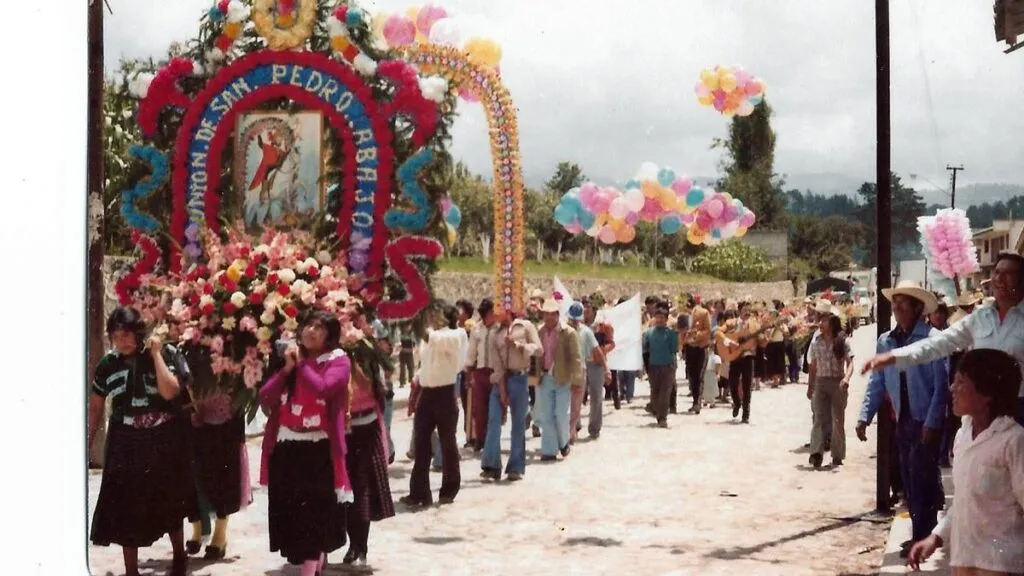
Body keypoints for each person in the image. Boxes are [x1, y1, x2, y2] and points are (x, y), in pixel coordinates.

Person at [88, 307, 195, 576]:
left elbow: (170, 392)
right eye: (116, 336)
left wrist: (156, 354)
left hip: (162, 438)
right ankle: (131, 570)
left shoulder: (162, 354)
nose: (122, 341)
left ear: (138, 332)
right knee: (127, 507)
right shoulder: (108, 365)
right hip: (126, 441)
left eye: (126, 334)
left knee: (170, 500)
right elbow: (96, 406)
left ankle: (179, 557)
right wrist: (86, 443)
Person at [863, 253, 1024, 428]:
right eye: (997, 272)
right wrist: (894, 357)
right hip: (981, 411)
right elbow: (940, 343)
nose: (999, 279)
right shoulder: (980, 318)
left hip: (1019, 409)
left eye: (1008, 273)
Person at [907, 349, 1024, 575]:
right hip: (964, 560)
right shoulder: (963, 436)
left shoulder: (1013, 441)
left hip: (1000, 565)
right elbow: (963, 501)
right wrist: (936, 537)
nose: (952, 388)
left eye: (961, 382)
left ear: (987, 394)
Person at [856, 282, 949, 557]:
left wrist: (933, 422)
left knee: (921, 479)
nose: (896, 306)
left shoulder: (933, 339)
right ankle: (922, 532)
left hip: (925, 419)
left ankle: (921, 537)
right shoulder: (887, 341)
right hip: (902, 420)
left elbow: (941, 386)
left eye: (903, 301)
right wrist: (864, 416)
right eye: (894, 301)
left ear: (918, 307)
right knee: (909, 480)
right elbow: (876, 383)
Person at [259, 311, 352, 576]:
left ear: (330, 336)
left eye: (319, 328)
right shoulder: (291, 360)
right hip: (287, 446)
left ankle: (309, 570)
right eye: (308, 325)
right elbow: (265, 397)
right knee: (292, 513)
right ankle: (313, 564)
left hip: (317, 449)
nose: (311, 331)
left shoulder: (339, 361)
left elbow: (323, 388)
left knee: (313, 514)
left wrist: (301, 365)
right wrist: (287, 369)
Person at [400, 303, 466, 508]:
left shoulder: (457, 334)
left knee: (447, 444)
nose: (431, 318)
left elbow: (438, 340)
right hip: (427, 394)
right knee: (421, 442)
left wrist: (419, 325)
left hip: (445, 393)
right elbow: (426, 362)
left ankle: (449, 490)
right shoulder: (430, 336)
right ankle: (419, 492)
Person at [339, 334, 395, 571]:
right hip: (343, 430)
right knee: (346, 492)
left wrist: (352, 361)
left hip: (367, 427)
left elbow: (369, 385)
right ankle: (353, 544)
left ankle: (360, 546)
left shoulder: (369, 357)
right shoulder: (333, 359)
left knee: (363, 489)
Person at [482, 308, 542, 481]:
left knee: (518, 424)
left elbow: (539, 350)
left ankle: (515, 467)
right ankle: (491, 465)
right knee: (494, 421)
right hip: (501, 379)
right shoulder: (495, 333)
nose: (495, 314)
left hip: (520, 379)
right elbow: (497, 363)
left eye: (498, 310)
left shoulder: (525, 326)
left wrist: (519, 345)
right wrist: (502, 389)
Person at [536, 297, 584, 460]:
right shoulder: (540, 332)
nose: (549, 317)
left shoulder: (568, 332)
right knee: (547, 415)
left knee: (561, 413)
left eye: (552, 314)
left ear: (557, 314)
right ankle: (549, 450)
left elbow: (576, 358)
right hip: (545, 378)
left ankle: (563, 443)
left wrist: (577, 381)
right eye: (546, 314)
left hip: (563, 378)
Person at [807, 313, 854, 468]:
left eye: (824, 321)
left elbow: (850, 363)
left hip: (837, 383)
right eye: (820, 320)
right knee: (819, 418)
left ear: (832, 323)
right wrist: (810, 386)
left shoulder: (842, 341)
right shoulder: (816, 342)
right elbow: (813, 366)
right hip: (821, 382)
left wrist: (846, 378)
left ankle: (837, 455)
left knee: (837, 420)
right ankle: (816, 453)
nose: (820, 324)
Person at [464, 299, 498, 452]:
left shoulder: (499, 328)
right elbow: (471, 352)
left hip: (496, 372)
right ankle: (480, 439)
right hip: (480, 372)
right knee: (479, 409)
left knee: (494, 409)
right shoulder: (476, 330)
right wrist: (469, 374)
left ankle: (491, 440)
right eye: (491, 312)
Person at [645, 304, 679, 428]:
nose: (659, 320)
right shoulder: (649, 333)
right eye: (657, 317)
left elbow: (674, 349)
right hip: (653, 366)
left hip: (667, 366)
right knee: (654, 392)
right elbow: (645, 348)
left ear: (666, 319)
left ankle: (662, 418)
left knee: (665, 393)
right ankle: (656, 410)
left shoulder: (671, 333)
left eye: (662, 318)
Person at [684, 296, 712, 414]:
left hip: (700, 348)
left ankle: (697, 402)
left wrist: (695, 335)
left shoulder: (703, 313)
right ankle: (695, 400)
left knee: (699, 375)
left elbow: (708, 330)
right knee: (691, 375)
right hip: (689, 348)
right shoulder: (682, 315)